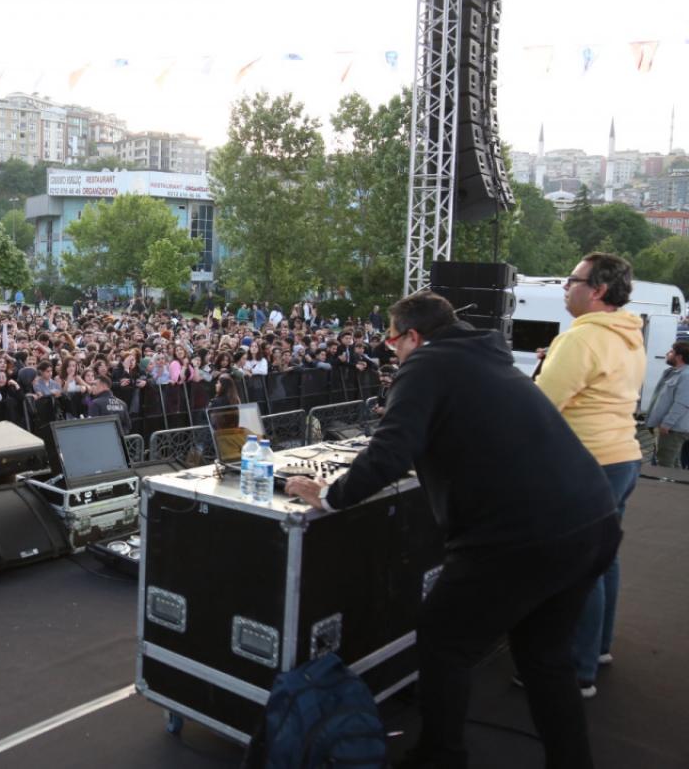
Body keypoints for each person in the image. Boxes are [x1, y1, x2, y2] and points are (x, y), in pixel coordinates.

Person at [284, 292, 620, 769]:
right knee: (545, 659)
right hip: (592, 518)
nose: (393, 352)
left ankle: (440, 756)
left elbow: (390, 451)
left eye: (393, 342)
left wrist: (331, 495)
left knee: (444, 641)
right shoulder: (486, 357)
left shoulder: (427, 364)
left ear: (413, 336)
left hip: (521, 534)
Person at [534, 252, 647, 696]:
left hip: (587, 463)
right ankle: (597, 649)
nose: (565, 287)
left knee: (579, 567)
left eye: (572, 280)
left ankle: (575, 671)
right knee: (603, 560)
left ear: (597, 290)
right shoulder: (628, 333)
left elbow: (541, 408)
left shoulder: (581, 338)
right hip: (623, 459)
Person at [645, 342, 689, 467]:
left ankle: (664, 480)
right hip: (667, 427)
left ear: (679, 357)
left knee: (665, 464)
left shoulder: (686, 375)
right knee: (670, 462)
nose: (667, 354)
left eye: (671, 352)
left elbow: (682, 403)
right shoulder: (672, 372)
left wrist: (667, 424)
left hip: (673, 429)